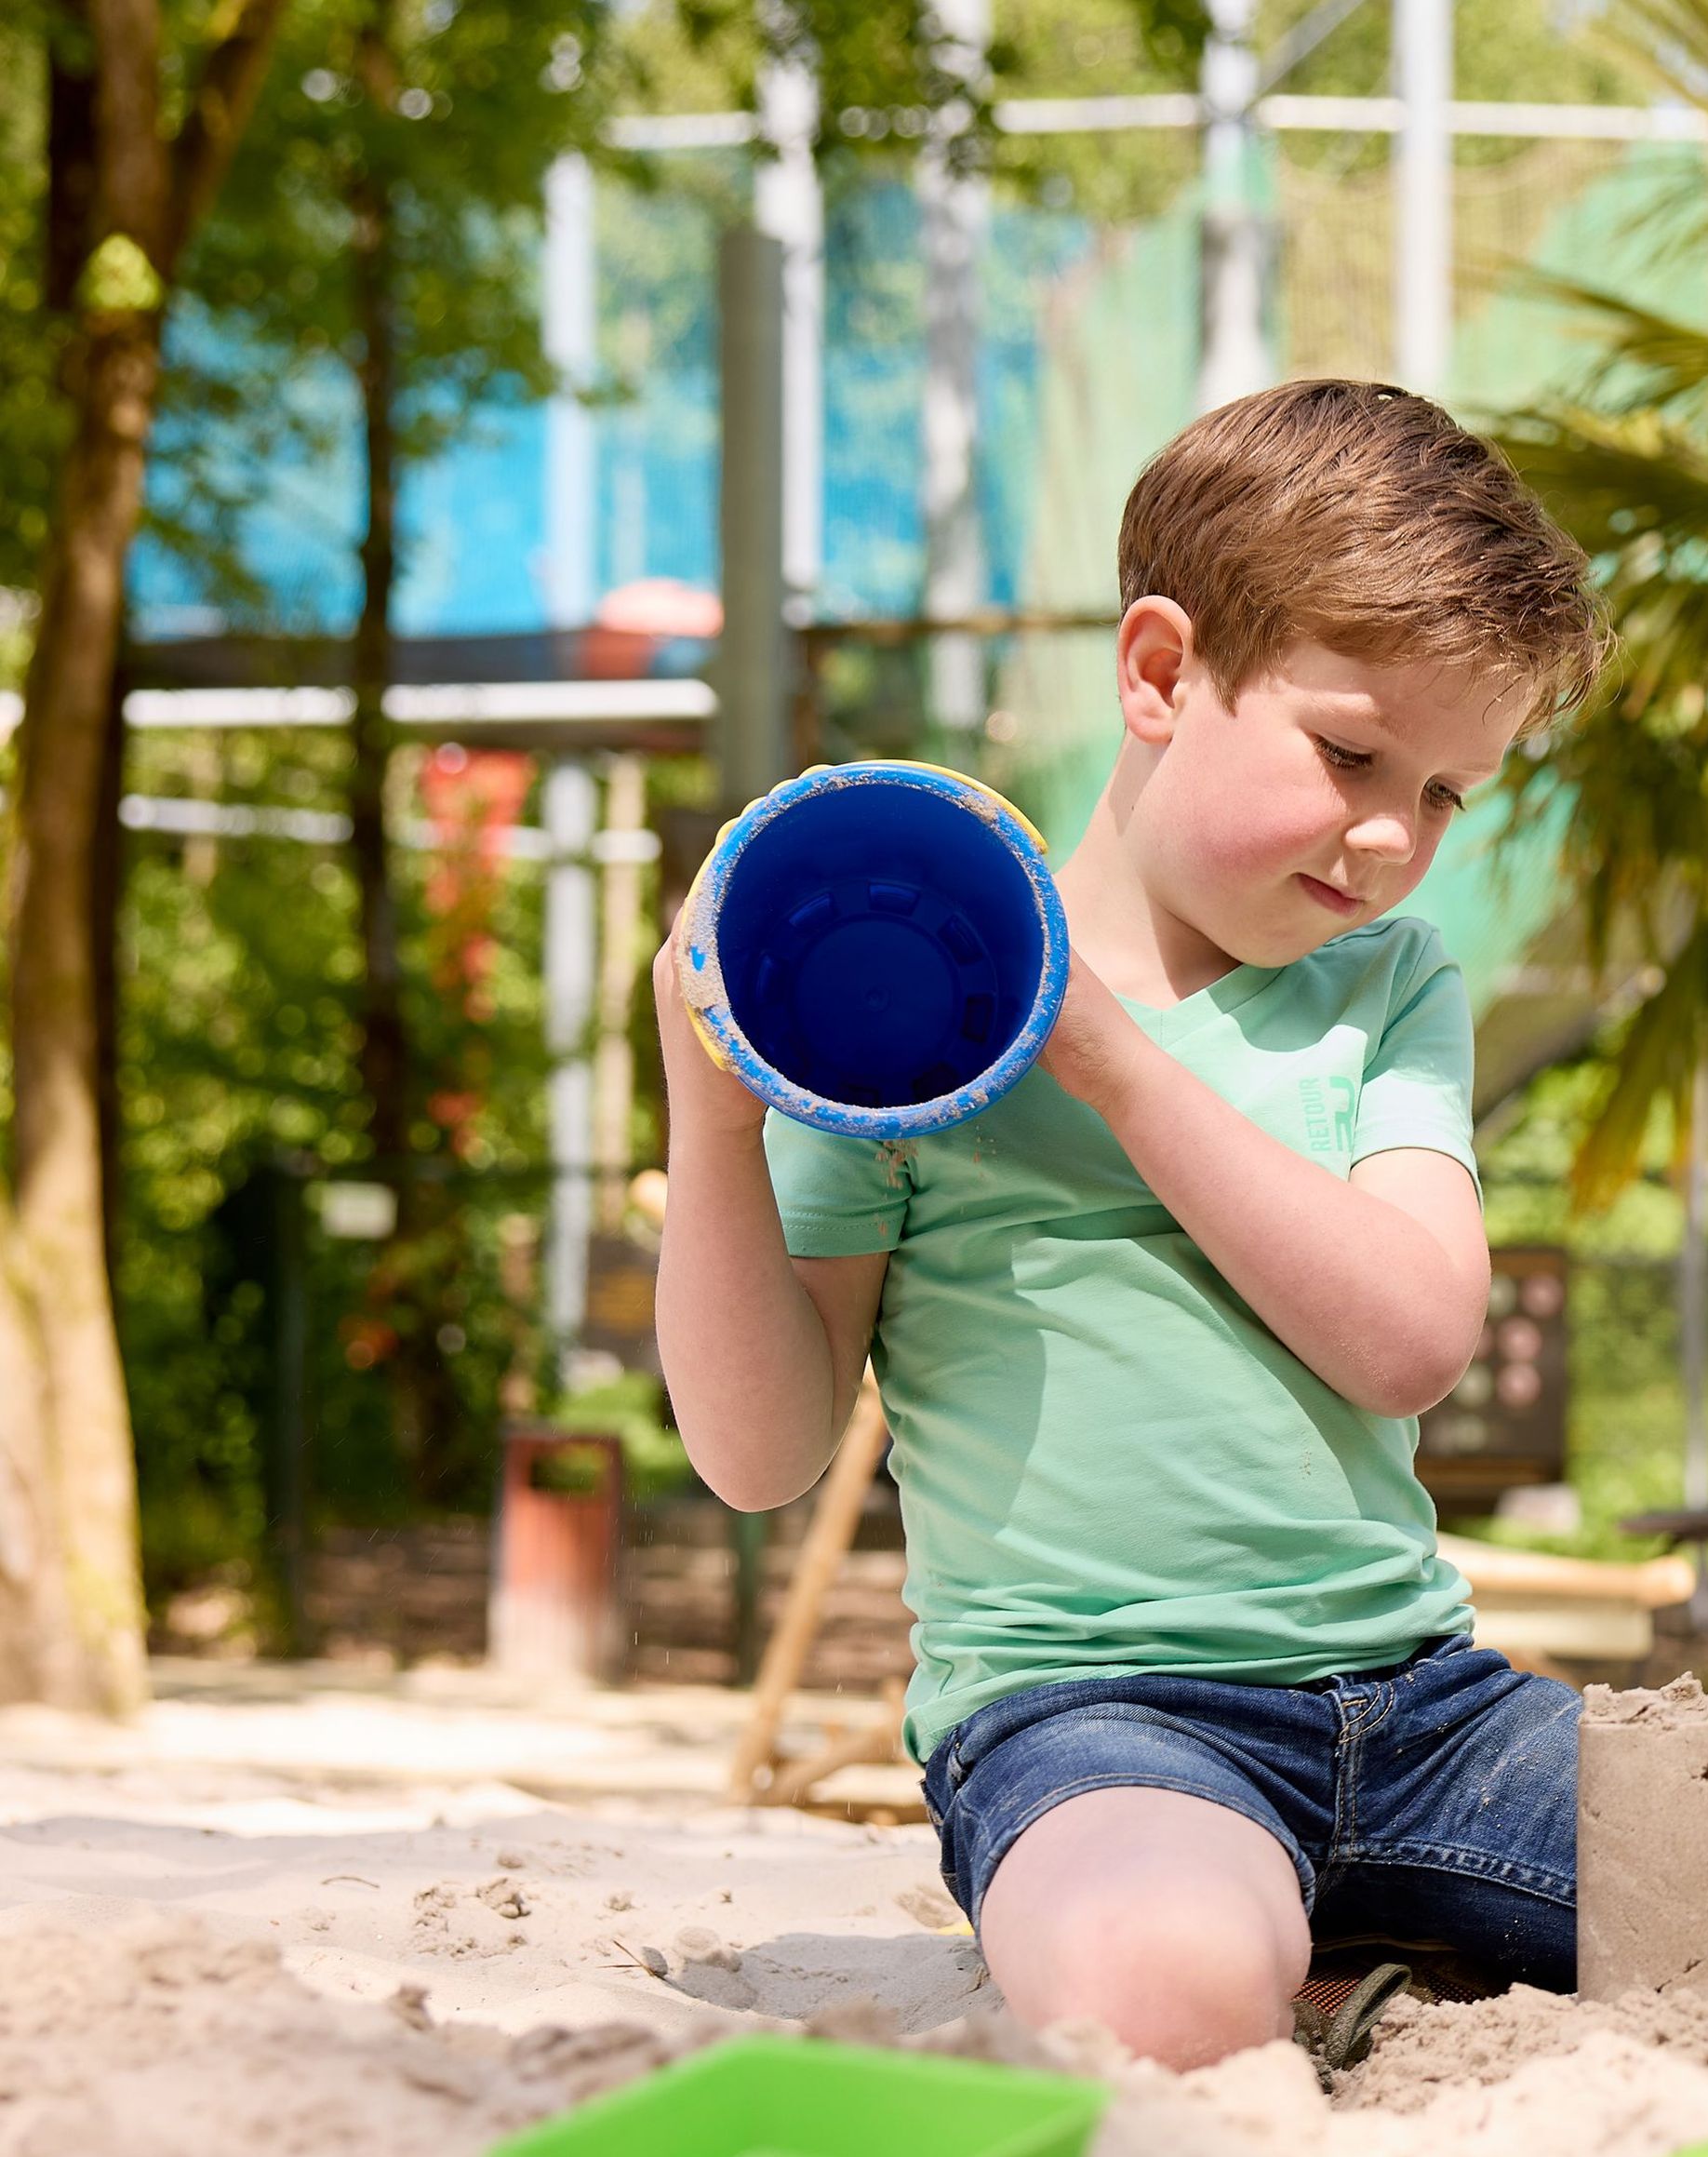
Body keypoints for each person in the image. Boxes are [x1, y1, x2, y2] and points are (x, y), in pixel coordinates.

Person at [654, 382, 1611, 2069]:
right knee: (1160, 1979)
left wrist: (1109, 1061)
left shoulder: (1387, 989)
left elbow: (1406, 1342)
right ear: (1164, 674)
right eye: (1353, 755)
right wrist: (715, 1119)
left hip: (1426, 1708)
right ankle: (1313, 1964)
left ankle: (1351, 1942)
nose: (1397, 838)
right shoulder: (927, 1002)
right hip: (1097, 1723)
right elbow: (759, 1453)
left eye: (1452, 792)